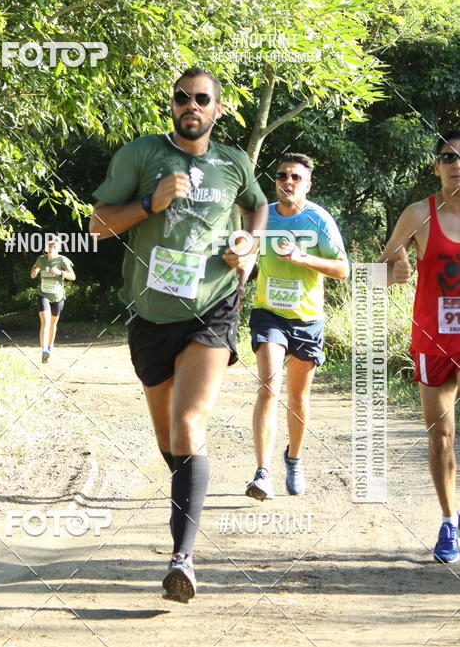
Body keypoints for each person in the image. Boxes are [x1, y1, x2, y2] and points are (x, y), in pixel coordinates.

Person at [89, 67, 268, 602]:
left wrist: (250, 244)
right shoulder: (141, 155)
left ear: (217, 109)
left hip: (211, 308)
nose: (191, 105)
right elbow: (97, 224)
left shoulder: (233, 162)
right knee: (171, 442)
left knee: (190, 425)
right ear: (173, 106)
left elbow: (257, 205)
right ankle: (189, 491)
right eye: (182, 98)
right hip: (150, 316)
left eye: (202, 99)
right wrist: (150, 204)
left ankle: (182, 560)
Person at [246, 153, 349, 500]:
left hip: (307, 318)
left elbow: (342, 269)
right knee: (269, 385)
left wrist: (304, 258)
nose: (287, 182)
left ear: (307, 184)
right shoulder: (264, 217)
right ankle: (262, 473)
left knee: (298, 397)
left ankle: (294, 457)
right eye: (281, 176)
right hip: (268, 313)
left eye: (295, 178)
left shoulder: (319, 220)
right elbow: (246, 257)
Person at [379, 130, 460, 563]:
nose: (456, 164)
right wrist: (396, 270)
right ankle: (449, 521)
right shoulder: (418, 215)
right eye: (447, 157)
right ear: (436, 167)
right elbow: (375, 272)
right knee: (441, 435)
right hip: (435, 338)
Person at [30, 236, 75, 363]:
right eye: (49, 246)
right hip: (43, 294)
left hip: (58, 296)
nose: (51, 249)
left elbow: (73, 276)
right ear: (46, 248)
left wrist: (59, 272)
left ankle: (49, 348)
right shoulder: (41, 259)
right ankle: (44, 351)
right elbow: (34, 270)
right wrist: (34, 272)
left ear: (58, 249)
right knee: (45, 322)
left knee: (53, 324)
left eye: (54, 247)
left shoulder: (63, 260)